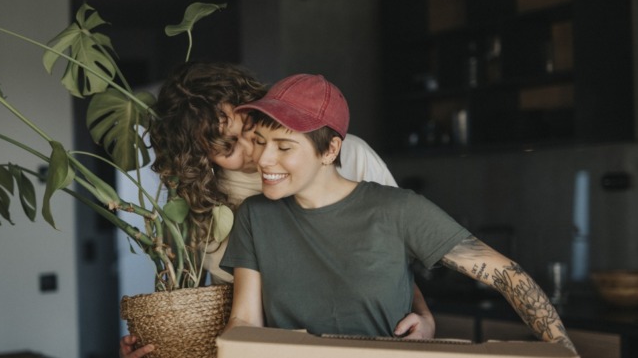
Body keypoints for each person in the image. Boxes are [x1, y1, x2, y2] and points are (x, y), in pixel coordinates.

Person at [219, 73, 577, 353]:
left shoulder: (399, 209)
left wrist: (564, 351)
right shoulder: (256, 215)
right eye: (262, 143)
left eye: (284, 147)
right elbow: (245, 320)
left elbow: (507, 275)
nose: (264, 160)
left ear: (329, 150)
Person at [120, 62, 435, 358]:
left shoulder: (348, 154)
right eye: (226, 148)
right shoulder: (205, 206)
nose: (252, 153)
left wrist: (423, 315)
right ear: (198, 156)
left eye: (249, 128)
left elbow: (397, 258)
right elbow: (228, 314)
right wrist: (160, 344)